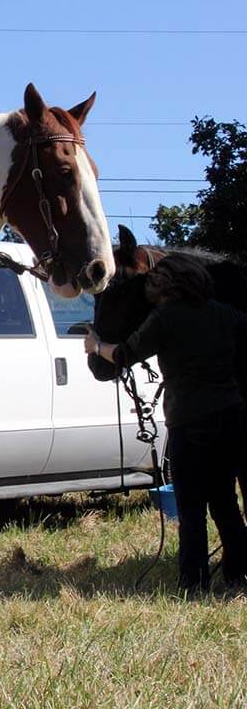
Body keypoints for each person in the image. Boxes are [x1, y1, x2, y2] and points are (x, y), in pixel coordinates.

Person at [87, 254, 247, 593]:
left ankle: (194, 582)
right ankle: (238, 573)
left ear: (170, 285)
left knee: (191, 508)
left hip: (189, 423)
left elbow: (124, 355)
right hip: (231, 419)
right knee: (225, 503)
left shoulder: (164, 319)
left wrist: (96, 345)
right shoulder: (224, 313)